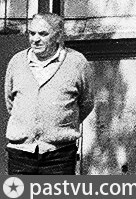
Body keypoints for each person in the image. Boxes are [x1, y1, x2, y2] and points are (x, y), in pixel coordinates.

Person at [4, 12, 93, 175]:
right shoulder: (16, 62)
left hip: (59, 155)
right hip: (20, 154)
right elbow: (10, 102)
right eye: (32, 33)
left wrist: (60, 125)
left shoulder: (77, 62)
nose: (35, 39)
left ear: (58, 36)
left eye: (43, 34)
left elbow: (86, 103)